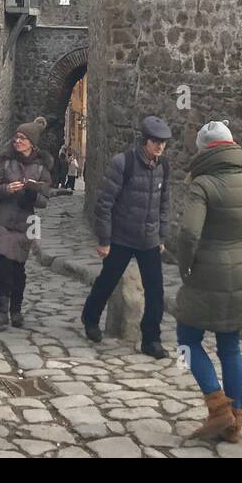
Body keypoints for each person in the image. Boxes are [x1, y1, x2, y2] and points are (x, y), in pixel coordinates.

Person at [172, 121, 242, 443]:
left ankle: (218, 407)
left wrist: (184, 267)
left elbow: (189, 232)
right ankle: (235, 423)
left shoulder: (201, 185)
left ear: (204, 151)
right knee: (230, 346)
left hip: (206, 271)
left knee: (187, 340)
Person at [81, 115, 172, 358]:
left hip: (149, 239)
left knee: (156, 291)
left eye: (163, 142)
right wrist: (104, 240)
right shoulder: (123, 163)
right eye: (155, 142)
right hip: (121, 237)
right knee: (107, 281)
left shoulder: (163, 167)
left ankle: (151, 339)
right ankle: (90, 318)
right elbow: (104, 203)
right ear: (145, 141)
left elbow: (164, 203)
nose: (160, 147)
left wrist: (161, 235)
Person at [0, 116, 52, 331]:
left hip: (26, 222)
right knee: (4, 264)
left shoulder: (41, 169)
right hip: (2, 219)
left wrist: (32, 193)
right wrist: (7, 189)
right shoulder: (5, 161)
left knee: (19, 268)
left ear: (32, 143)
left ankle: (16, 310)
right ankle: (1, 312)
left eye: (23, 138)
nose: (18, 141)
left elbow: (44, 200)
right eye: (17, 136)